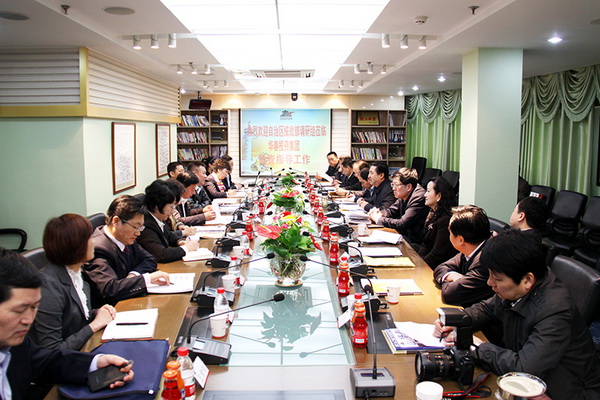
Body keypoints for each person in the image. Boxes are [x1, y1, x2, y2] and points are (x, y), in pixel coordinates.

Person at [434, 230, 600, 399]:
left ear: (527, 280)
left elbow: (524, 369)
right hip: (533, 376)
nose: (490, 283)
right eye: (489, 275)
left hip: (566, 391)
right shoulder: (521, 281)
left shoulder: (555, 311)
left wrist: (478, 347)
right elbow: (487, 309)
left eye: (497, 279)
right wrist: (456, 321)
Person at [0, 249, 133, 400]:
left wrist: (95, 363)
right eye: (18, 310)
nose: (29, 320)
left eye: (34, 307)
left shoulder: (16, 344)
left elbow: (44, 362)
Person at [28, 214, 116, 350]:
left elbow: (72, 317)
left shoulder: (76, 272)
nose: (93, 241)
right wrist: (94, 325)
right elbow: (52, 350)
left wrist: (97, 313)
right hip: (62, 360)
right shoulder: (48, 286)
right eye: (89, 238)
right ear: (75, 245)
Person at [84, 195, 170, 307]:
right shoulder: (98, 249)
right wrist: (146, 279)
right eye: (135, 227)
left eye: (141, 228)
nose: (138, 233)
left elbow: (149, 259)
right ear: (116, 221)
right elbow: (110, 289)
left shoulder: (125, 237)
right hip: (113, 309)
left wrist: (133, 275)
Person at [433, 205, 493, 307]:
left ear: (460, 240)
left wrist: (453, 282)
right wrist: (451, 276)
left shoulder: (484, 261)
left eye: (450, 232)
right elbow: (441, 268)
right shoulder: (471, 248)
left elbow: (450, 294)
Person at [138, 180, 199, 263]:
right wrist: (186, 248)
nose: (172, 211)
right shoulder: (145, 224)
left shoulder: (159, 217)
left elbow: (168, 235)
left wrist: (180, 242)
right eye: (171, 207)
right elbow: (161, 255)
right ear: (157, 206)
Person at [368, 167, 428, 245]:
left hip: (415, 243)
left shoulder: (418, 197)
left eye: (396, 185)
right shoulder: (404, 194)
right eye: (392, 184)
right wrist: (377, 213)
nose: (393, 188)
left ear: (408, 187)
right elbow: (391, 211)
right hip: (405, 237)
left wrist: (379, 219)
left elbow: (402, 223)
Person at [418, 177, 459, 270]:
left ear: (438, 196)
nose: (425, 195)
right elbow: (425, 243)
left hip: (441, 267)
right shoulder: (432, 213)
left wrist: (420, 265)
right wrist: (418, 259)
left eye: (428, 191)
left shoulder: (446, 220)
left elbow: (437, 254)